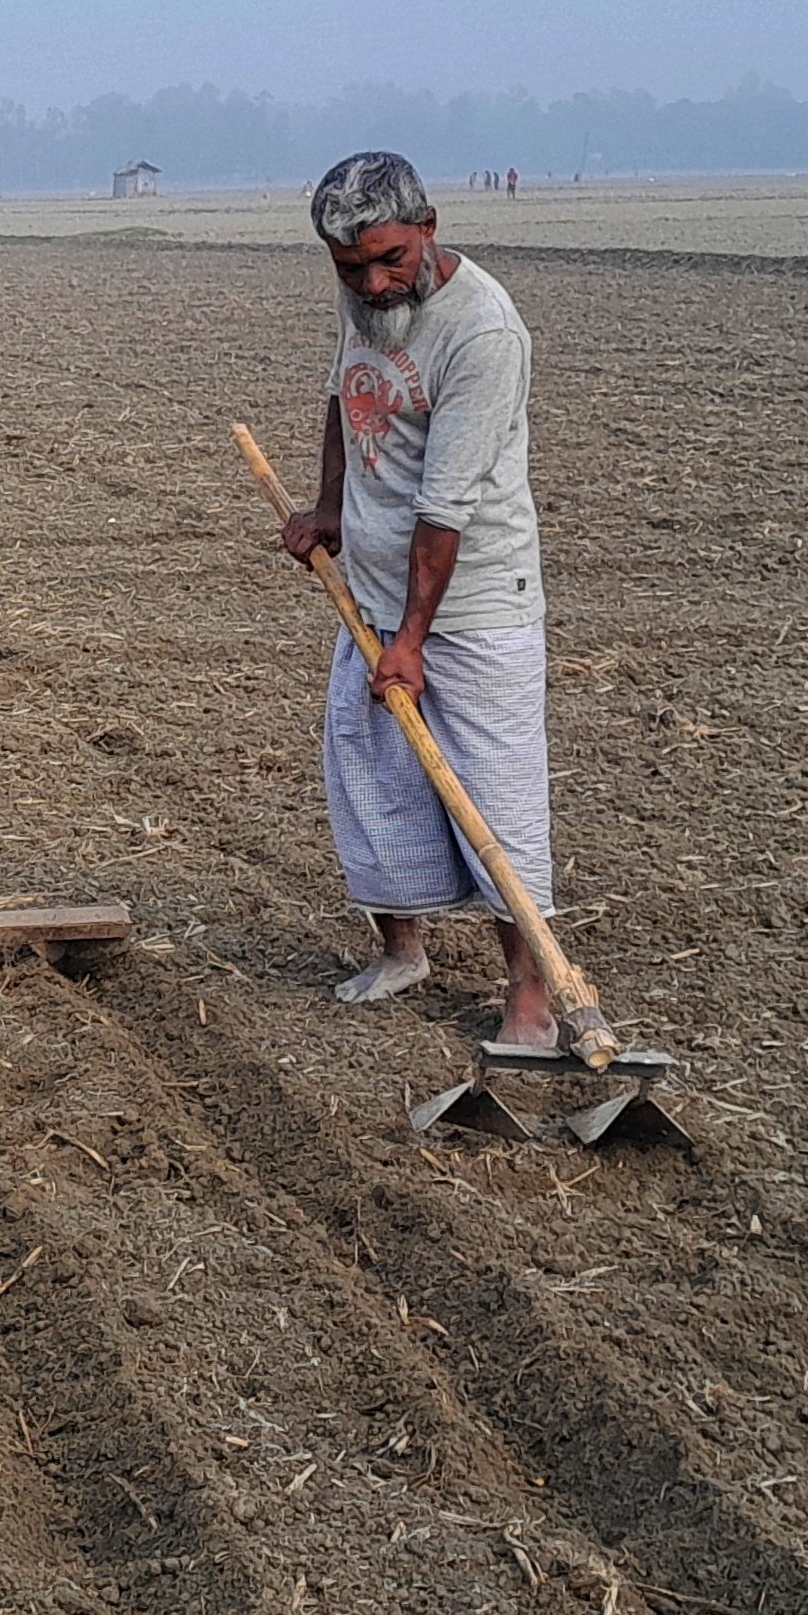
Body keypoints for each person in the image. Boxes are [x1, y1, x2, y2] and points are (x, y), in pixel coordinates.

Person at [277, 149, 561, 1048]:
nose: (372, 280)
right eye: (350, 266)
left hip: (470, 605)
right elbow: (342, 395)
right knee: (373, 777)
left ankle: (532, 999)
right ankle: (400, 950)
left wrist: (410, 638)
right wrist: (327, 504)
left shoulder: (481, 333)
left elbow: (448, 508)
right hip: (369, 588)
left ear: (430, 229)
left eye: (390, 260)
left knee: (495, 796)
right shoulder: (362, 295)